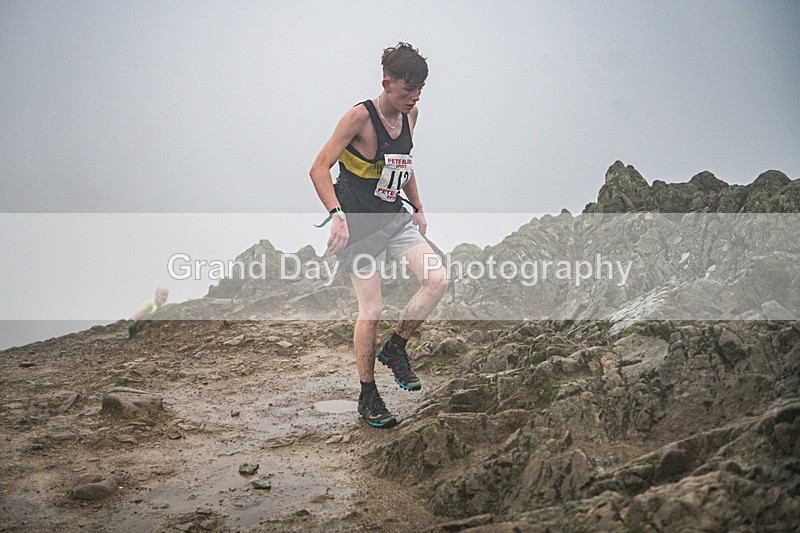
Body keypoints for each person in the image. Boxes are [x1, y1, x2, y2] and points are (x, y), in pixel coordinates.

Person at [310, 43, 449, 429]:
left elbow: (404, 163)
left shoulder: (411, 115)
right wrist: (336, 215)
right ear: (387, 84)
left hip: (393, 217)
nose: (415, 96)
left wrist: (417, 205)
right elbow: (318, 168)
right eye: (409, 89)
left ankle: (396, 347)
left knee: (437, 280)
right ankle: (368, 394)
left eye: (421, 89)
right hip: (358, 225)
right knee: (371, 310)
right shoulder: (358, 118)